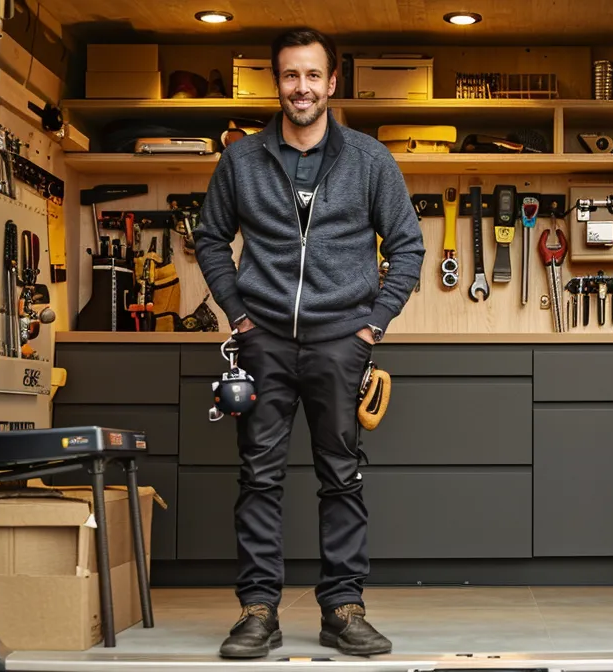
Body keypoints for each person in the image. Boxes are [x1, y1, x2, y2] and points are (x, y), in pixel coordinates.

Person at [193, 26, 424, 659]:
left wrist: (374, 323)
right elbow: (210, 238)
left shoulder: (370, 159)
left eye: (313, 75)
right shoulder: (241, 160)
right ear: (277, 81)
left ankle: (343, 609)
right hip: (263, 340)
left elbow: (408, 246)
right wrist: (238, 314)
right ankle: (257, 611)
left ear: (332, 82)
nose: (302, 87)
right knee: (258, 478)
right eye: (291, 75)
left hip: (340, 341)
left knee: (342, 476)